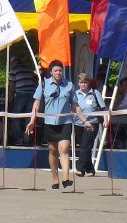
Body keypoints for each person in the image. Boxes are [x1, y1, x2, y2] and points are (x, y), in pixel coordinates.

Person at [28, 61, 87, 189]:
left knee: (64, 148)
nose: (59, 73)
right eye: (56, 71)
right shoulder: (43, 85)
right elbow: (36, 105)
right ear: (51, 72)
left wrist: (85, 121)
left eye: (60, 70)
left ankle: (66, 178)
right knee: (52, 150)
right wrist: (32, 121)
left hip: (65, 122)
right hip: (49, 123)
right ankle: (55, 178)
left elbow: (75, 105)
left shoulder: (69, 85)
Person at [74, 73, 107, 177]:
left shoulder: (95, 93)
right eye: (81, 82)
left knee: (85, 145)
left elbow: (103, 108)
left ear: (88, 83)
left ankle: (79, 169)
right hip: (78, 123)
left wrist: (105, 119)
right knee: (84, 146)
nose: (83, 84)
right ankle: (90, 169)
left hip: (92, 123)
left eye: (85, 82)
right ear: (78, 84)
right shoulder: (75, 94)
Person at [7, 59, 38, 146]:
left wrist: (10, 97)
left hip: (21, 93)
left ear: (12, 62)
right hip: (32, 93)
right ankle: (27, 138)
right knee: (28, 116)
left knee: (16, 116)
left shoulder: (13, 69)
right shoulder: (27, 68)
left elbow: (12, 85)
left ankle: (18, 139)